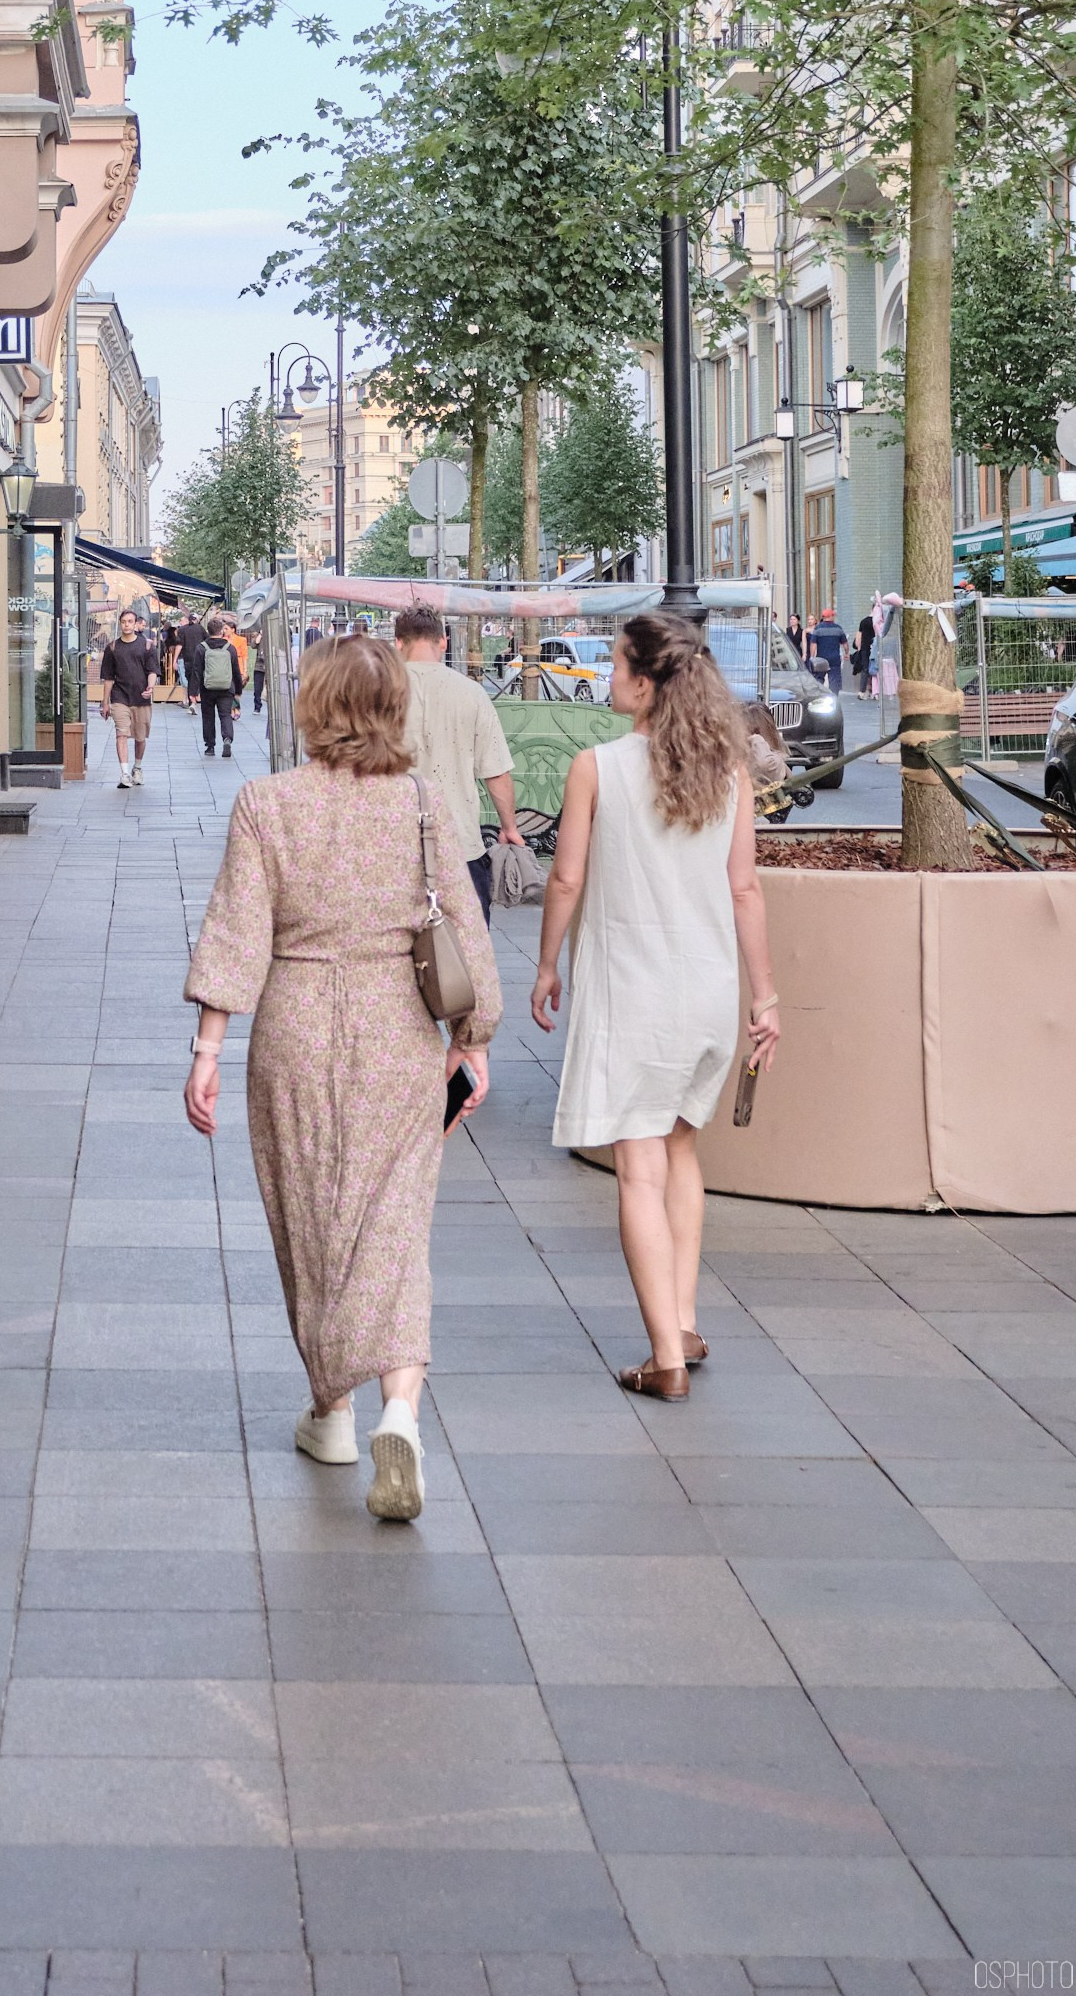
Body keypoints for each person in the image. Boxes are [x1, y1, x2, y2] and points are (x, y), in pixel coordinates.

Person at [183, 635, 501, 1520]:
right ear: (393, 707)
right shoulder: (424, 808)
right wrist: (472, 1040)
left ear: (313, 705)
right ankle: (399, 1408)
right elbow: (465, 938)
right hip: (396, 1030)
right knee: (394, 1220)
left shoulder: (265, 804)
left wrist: (207, 1051)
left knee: (308, 1219)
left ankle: (332, 1411)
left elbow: (236, 932)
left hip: (290, 1029)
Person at [530, 610, 781, 1401]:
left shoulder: (595, 767)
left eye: (613, 665)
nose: (607, 678)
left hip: (630, 992)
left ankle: (664, 1356)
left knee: (637, 1167)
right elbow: (744, 890)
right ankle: (686, 1318)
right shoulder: (728, 772)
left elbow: (565, 879)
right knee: (680, 1153)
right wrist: (765, 998)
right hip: (707, 991)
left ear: (643, 683)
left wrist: (546, 965)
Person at [394, 605, 530, 917]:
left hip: (396, 845)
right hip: (460, 843)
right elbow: (495, 772)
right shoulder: (472, 693)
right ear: (443, 641)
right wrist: (509, 826)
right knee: (467, 955)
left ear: (398, 643)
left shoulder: (379, 690)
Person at [98, 609, 158, 787]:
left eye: (130, 621)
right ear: (120, 623)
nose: (126, 625)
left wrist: (150, 687)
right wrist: (105, 703)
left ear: (135, 624)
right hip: (120, 697)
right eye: (124, 621)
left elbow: (153, 671)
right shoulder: (113, 648)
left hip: (141, 697)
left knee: (140, 737)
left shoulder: (146, 645)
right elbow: (108, 677)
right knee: (121, 733)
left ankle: (137, 768)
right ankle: (124, 773)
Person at [199, 612, 245, 758]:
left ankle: (210, 746)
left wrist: (193, 691)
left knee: (208, 716)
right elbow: (236, 671)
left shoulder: (202, 647)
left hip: (207, 688)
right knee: (225, 715)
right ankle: (227, 739)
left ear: (208, 631)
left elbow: (196, 670)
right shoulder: (230, 648)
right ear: (221, 631)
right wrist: (238, 689)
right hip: (226, 687)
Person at [807, 607, 848, 692]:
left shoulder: (818, 629)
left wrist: (812, 656)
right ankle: (834, 699)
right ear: (831, 616)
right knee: (834, 681)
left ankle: (819, 696)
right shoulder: (838, 629)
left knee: (819, 679)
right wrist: (846, 653)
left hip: (821, 659)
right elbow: (845, 643)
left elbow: (813, 644)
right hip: (835, 659)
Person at [179, 610, 209, 713]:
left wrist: (175, 659)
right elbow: (208, 640)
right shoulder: (201, 629)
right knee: (199, 680)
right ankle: (197, 700)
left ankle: (192, 702)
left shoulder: (182, 630)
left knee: (190, 681)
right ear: (196, 620)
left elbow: (180, 645)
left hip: (187, 659)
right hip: (200, 658)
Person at [851, 609, 876, 698]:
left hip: (865, 648)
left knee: (865, 669)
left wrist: (859, 649)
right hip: (876, 648)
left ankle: (862, 691)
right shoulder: (879, 621)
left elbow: (859, 636)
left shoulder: (864, 622)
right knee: (875, 669)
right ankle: (874, 691)